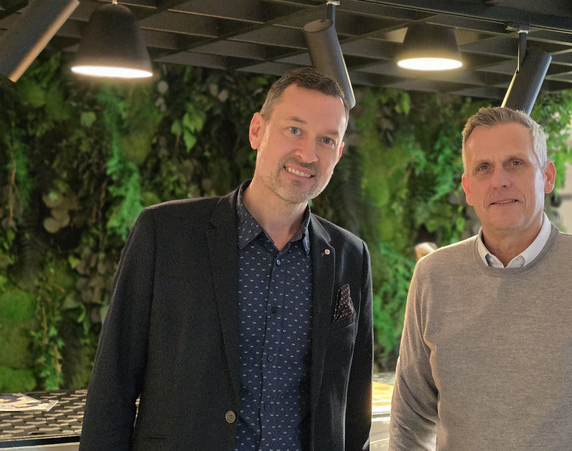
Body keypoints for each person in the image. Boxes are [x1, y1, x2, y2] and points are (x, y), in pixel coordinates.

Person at [79, 67, 373, 450]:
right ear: (257, 131)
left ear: (339, 153)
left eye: (326, 140)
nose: (307, 153)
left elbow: (355, 406)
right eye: (294, 130)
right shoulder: (165, 233)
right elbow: (113, 384)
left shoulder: (350, 255)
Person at [389, 107, 572, 450]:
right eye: (483, 168)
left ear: (547, 176)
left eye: (515, 163)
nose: (499, 180)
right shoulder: (433, 276)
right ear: (468, 188)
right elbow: (410, 419)